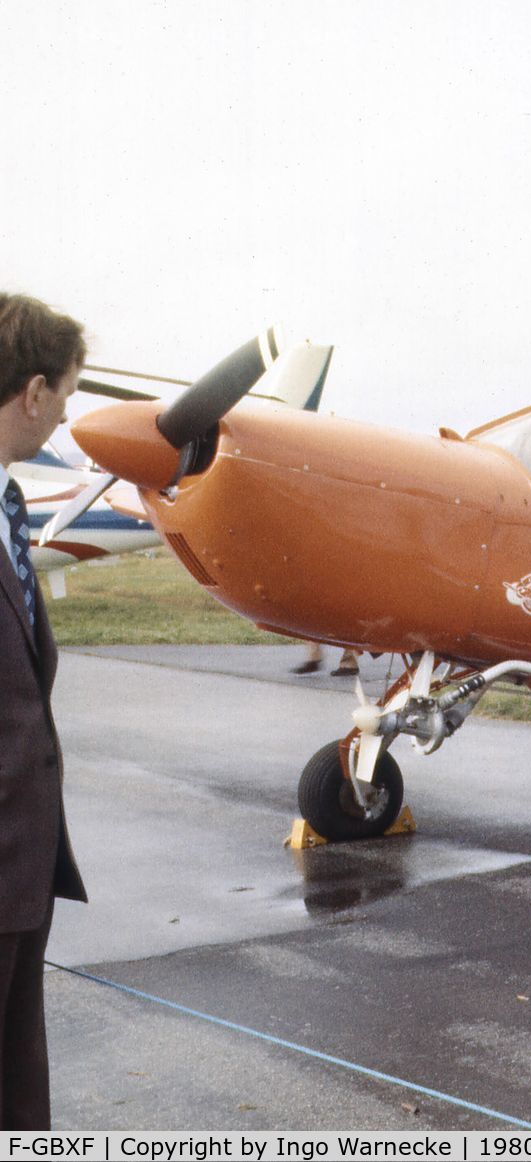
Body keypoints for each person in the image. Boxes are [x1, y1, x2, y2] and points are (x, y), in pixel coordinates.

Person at [0, 293, 87, 1129]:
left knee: (18, 1087)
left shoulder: (10, 506)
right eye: (64, 394)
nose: (64, 415)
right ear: (32, 392)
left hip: (23, 869)